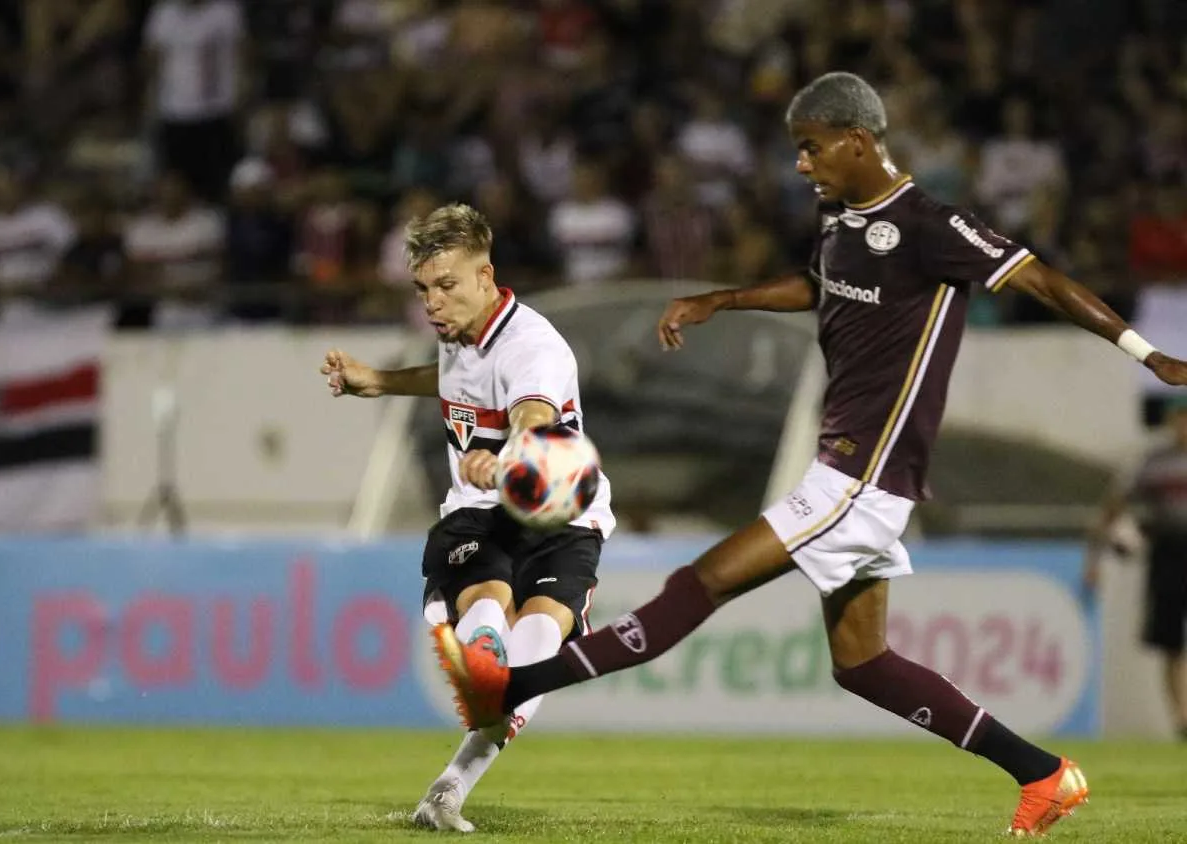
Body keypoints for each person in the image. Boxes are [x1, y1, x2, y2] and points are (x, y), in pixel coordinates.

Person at [431, 72, 1187, 837]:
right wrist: (721, 299)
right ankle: (1045, 775)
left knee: (704, 580)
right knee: (861, 663)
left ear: (858, 140)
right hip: (849, 472)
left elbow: (1046, 281)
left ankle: (515, 683)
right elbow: (818, 285)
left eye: (812, 147)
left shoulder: (929, 225)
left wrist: (1146, 352)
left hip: (863, 474)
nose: (801, 164)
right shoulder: (838, 219)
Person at [319, 203, 615, 832]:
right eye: (423, 288)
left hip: (562, 513)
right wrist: (379, 381)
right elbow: (459, 381)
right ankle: (485, 663)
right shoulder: (459, 331)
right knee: (494, 613)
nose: (432, 302)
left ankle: (453, 773)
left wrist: (503, 455)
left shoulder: (536, 347)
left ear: (487, 275)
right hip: (480, 515)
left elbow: (532, 413)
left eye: (446, 286)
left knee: (533, 644)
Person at [1085, 396, 1187, 740]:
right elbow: (1114, 507)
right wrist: (1095, 558)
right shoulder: (1153, 463)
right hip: (1169, 554)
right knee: (1170, 639)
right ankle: (1181, 718)